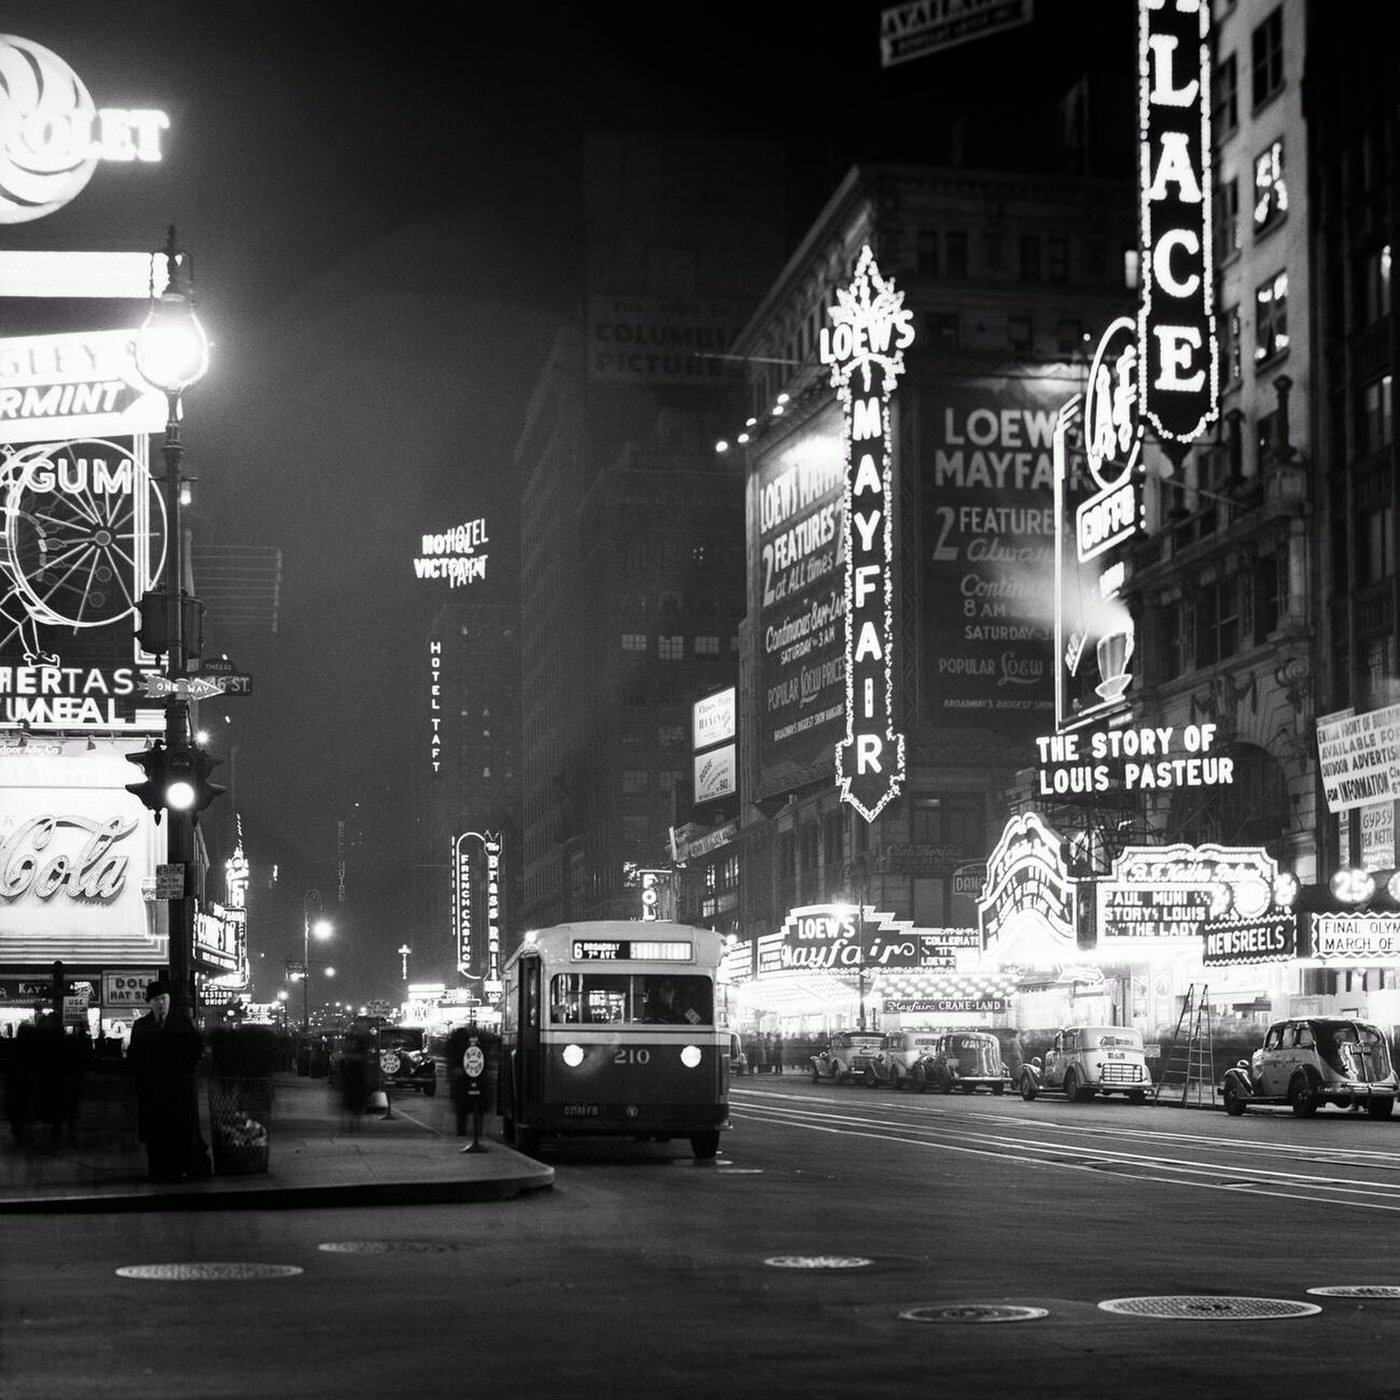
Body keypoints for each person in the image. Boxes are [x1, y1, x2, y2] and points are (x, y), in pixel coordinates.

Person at [126, 978, 205, 1182]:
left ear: (169, 1000)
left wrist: (184, 1073)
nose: (161, 1003)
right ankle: (157, 1169)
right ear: (150, 1003)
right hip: (152, 1090)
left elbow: (196, 1049)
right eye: (156, 1000)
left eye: (163, 998)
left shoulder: (182, 1023)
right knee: (155, 1134)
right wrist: (142, 1079)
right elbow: (134, 1056)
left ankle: (177, 1168)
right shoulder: (141, 1026)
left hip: (176, 1088)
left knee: (176, 1131)